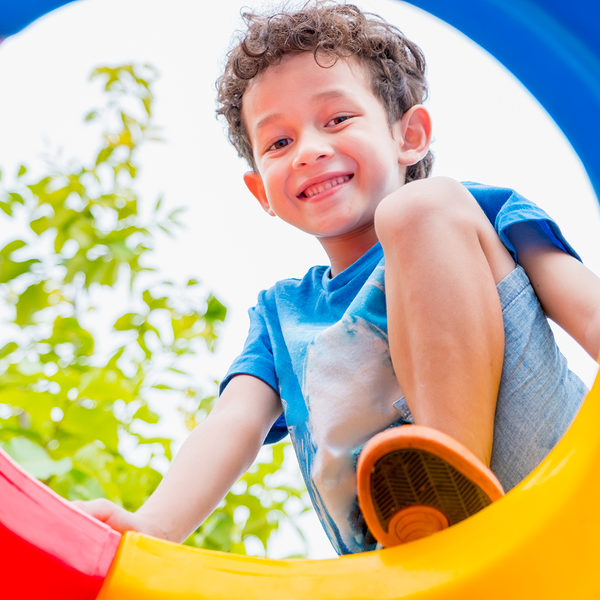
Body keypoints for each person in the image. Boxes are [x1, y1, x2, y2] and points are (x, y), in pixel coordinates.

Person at [76, 2, 600, 555]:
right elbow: (232, 427)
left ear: (410, 136)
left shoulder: (467, 211)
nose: (308, 151)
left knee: (416, 210)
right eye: (278, 143)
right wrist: (153, 529)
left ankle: (450, 476)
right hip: (407, 553)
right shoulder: (283, 315)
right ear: (262, 193)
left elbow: (585, 306)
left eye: (337, 120)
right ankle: (431, 517)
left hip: (547, 475)